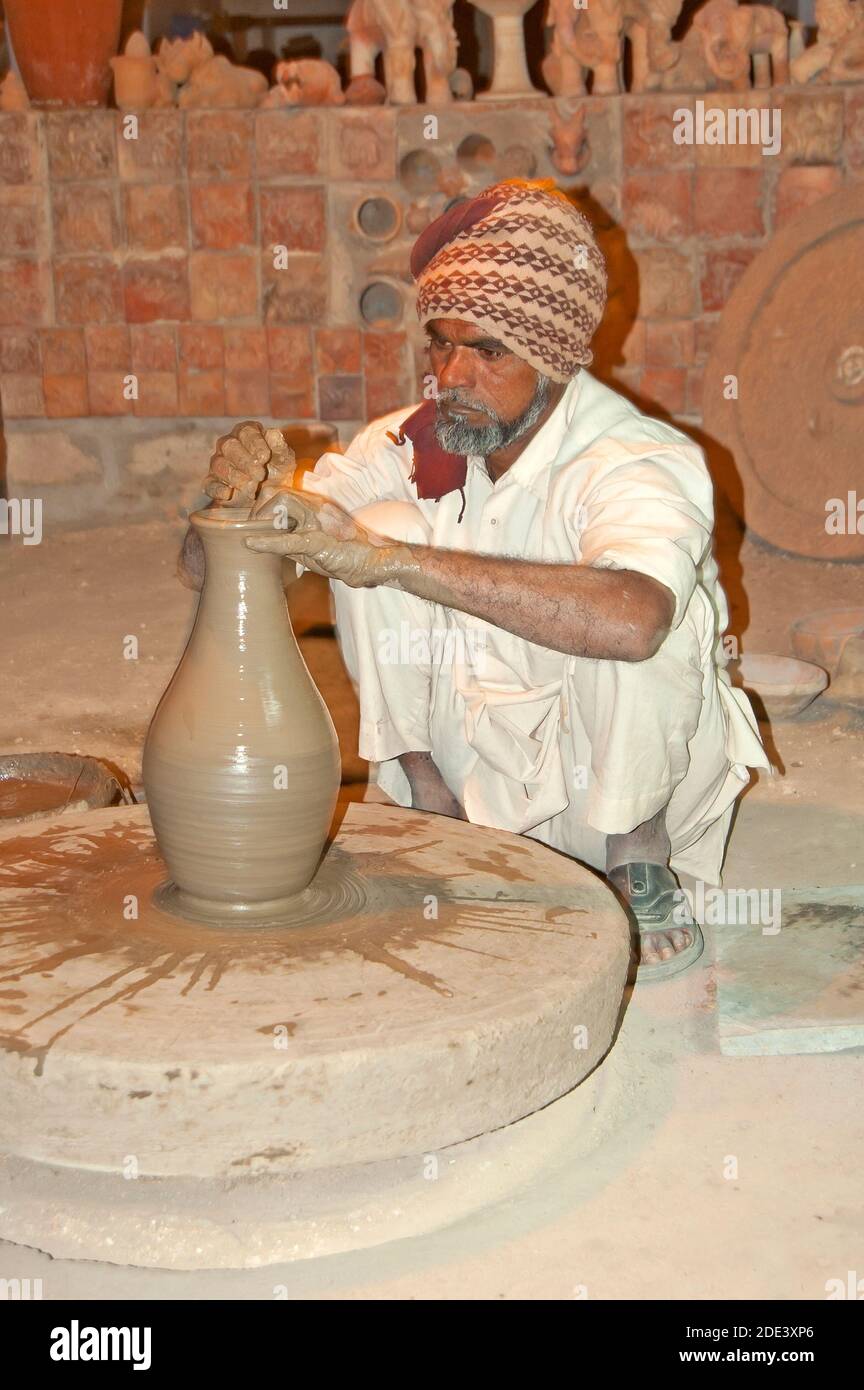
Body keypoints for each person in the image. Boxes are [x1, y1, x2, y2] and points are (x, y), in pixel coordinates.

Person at [183, 178, 768, 981]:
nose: (452, 373)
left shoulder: (636, 459)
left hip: (616, 787)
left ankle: (640, 864)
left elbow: (633, 623)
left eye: (488, 351)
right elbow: (210, 565)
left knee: (645, 611)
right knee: (374, 526)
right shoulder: (414, 442)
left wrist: (397, 563)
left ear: (554, 356)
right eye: (441, 342)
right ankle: (437, 817)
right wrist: (235, 500)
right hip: (483, 790)